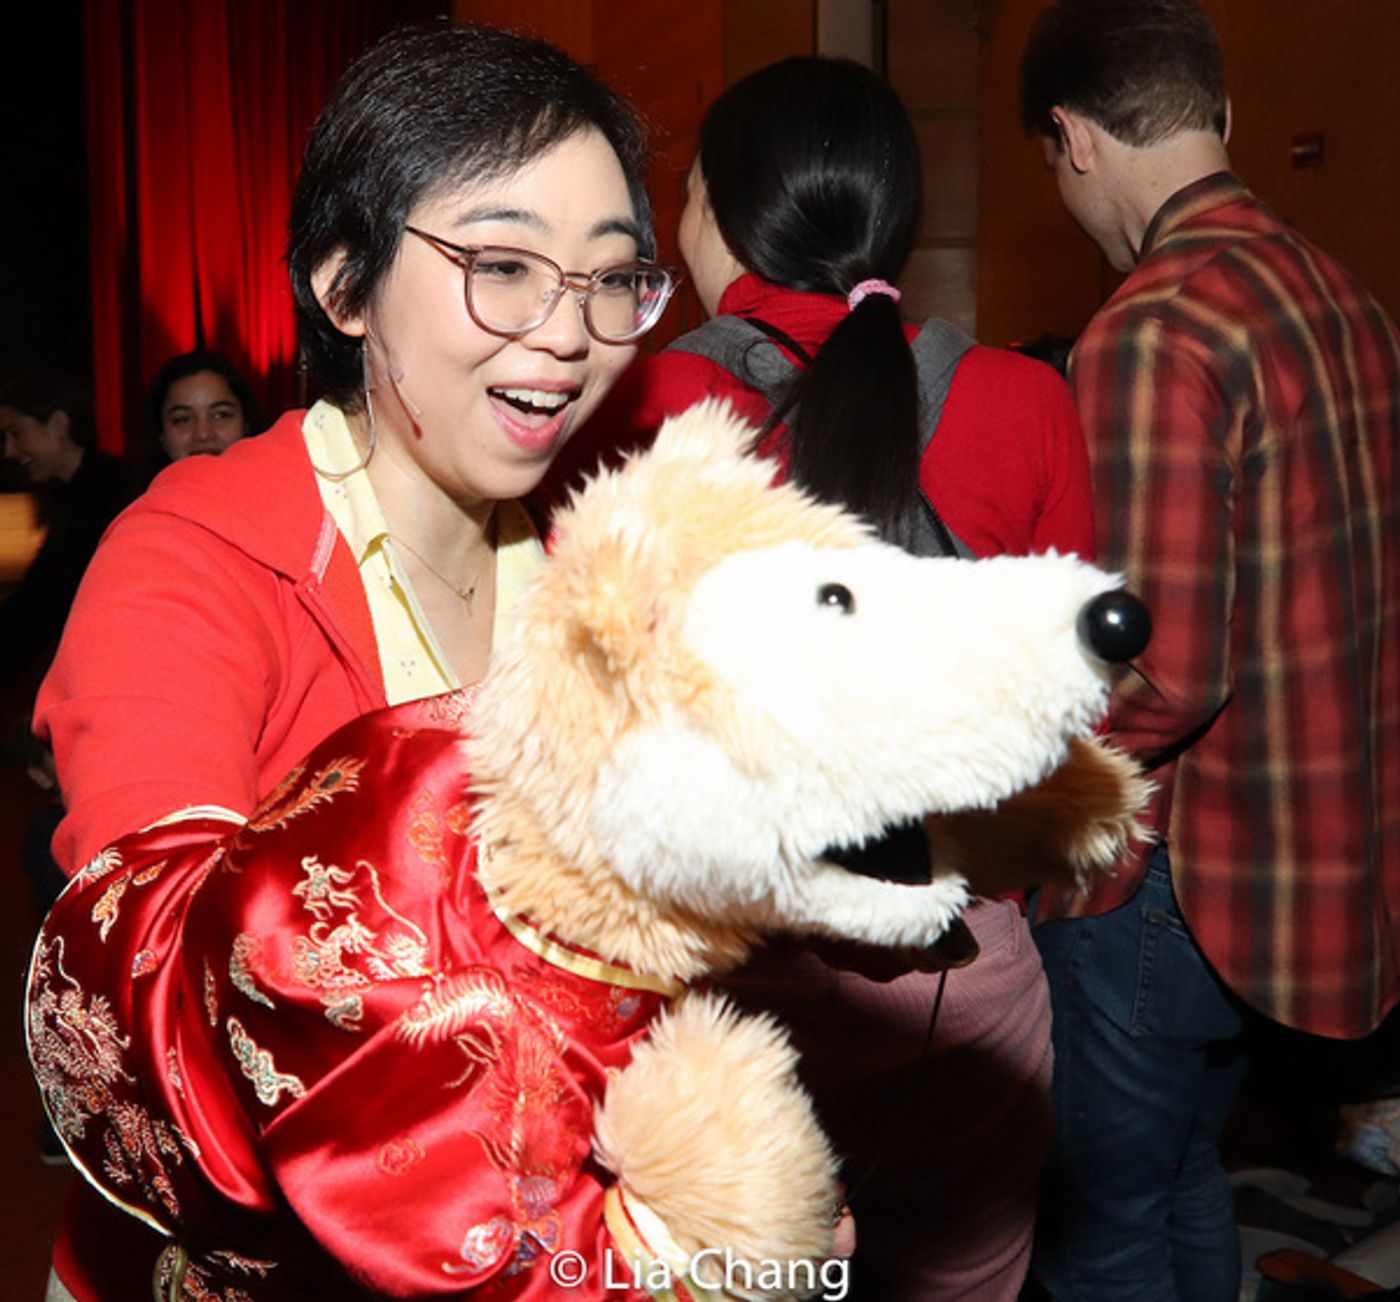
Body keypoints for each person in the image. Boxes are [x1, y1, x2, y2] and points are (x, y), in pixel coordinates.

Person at [29, 23, 676, 1301]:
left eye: (610, 278)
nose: (567, 333)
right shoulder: (196, 555)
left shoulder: (606, 570)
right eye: (503, 266)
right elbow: (148, 1001)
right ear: (343, 284)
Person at [571, 55, 1097, 1301]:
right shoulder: (1023, 400)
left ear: (716, 211)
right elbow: (1071, 716)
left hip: (716, 995)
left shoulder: (645, 401)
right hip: (964, 977)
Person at [1018, 2, 1400, 1299]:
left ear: (1071, 138)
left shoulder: (1150, 327)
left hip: (1176, 876)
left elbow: (1160, 668)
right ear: (1221, 116)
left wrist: (1000, 773)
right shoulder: (1346, 297)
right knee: (1187, 1173)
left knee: (1102, 1227)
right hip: (1302, 877)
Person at [138, 347, 260, 482]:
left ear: (246, 424)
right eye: (183, 419)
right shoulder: (149, 496)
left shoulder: (273, 491)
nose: (203, 434)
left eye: (220, 415)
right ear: (162, 436)